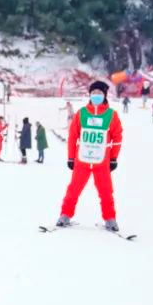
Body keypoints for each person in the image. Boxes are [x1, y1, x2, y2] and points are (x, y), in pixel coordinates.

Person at [56, 81, 124, 231]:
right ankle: (65, 215)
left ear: (105, 95)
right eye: (93, 93)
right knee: (73, 189)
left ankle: (110, 219)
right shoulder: (82, 113)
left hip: (102, 162)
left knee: (106, 191)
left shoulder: (111, 115)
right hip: (82, 160)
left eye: (99, 93)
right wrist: (71, 157)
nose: (96, 96)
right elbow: (73, 136)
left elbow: (117, 138)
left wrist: (113, 158)